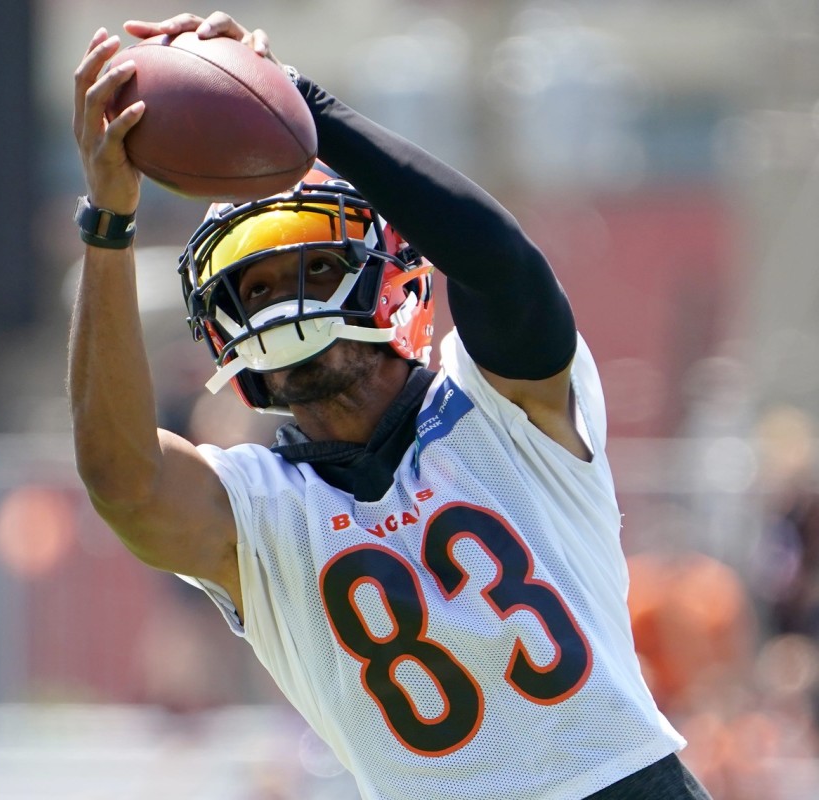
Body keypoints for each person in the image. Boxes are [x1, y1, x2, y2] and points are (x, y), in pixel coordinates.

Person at [70, 11, 712, 799]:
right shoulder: (261, 511)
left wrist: (302, 106)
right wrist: (107, 225)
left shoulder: (499, 405)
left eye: (313, 263)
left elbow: (502, 268)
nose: (286, 302)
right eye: (257, 287)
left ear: (393, 276)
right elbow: (121, 479)